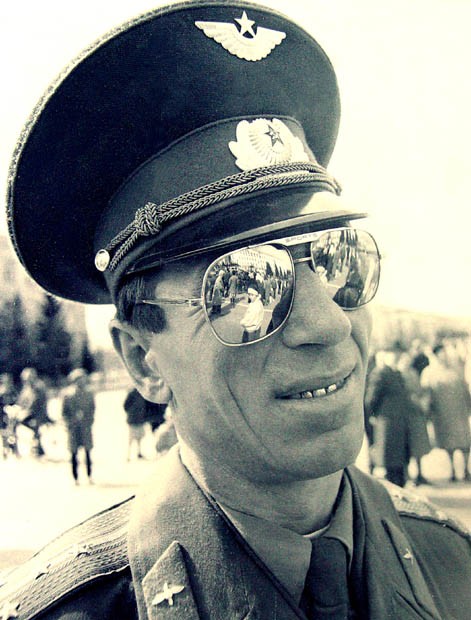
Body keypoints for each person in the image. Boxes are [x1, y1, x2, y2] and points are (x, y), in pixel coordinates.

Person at [1, 2, 470, 618]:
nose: (328, 323)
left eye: (337, 259)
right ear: (143, 360)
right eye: (246, 284)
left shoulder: (453, 562)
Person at [421, 343, 471, 482]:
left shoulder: (455, 369)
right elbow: (426, 394)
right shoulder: (429, 372)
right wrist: (428, 412)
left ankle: (466, 470)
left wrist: (469, 405)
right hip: (442, 413)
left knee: (465, 442)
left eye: (445, 354)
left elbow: (465, 388)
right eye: (440, 354)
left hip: (459, 411)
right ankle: (453, 471)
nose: (443, 356)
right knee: (448, 443)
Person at [61, 368, 96, 485]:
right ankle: (75, 478)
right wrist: (70, 422)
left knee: (88, 452)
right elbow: (64, 413)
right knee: (73, 453)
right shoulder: (67, 395)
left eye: (83, 379)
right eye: (78, 379)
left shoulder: (89, 394)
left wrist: (89, 421)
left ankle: (89, 476)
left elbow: (92, 409)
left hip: (85, 427)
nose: (81, 381)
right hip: (73, 428)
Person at [16, 367, 51, 457]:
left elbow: (37, 402)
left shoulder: (38, 387)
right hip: (30, 412)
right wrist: (20, 408)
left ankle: (37, 448)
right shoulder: (26, 388)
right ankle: (37, 447)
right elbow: (21, 400)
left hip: (38, 412)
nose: (27, 380)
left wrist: (26, 410)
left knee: (34, 427)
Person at [123, 387, 149, 460]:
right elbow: (125, 405)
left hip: (140, 420)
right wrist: (132, 413)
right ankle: (128, 455)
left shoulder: (142, 395)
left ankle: (139, 452)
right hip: (133, 421)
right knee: (131, 439)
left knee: (139, 438)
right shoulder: (131, 394)